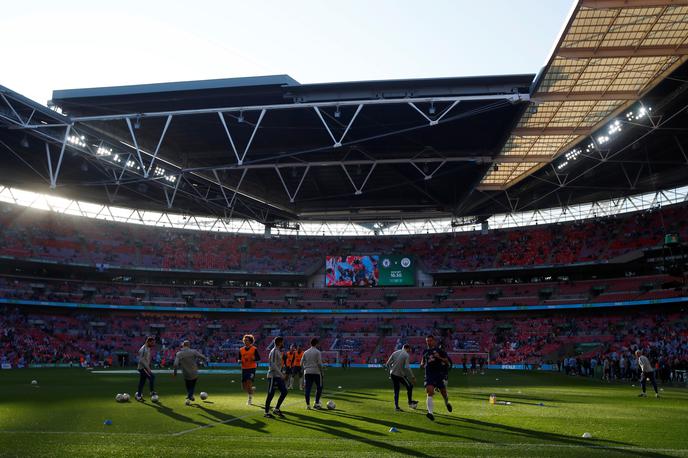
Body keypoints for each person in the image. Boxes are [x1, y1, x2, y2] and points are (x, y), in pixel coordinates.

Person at [420, 335, 452, 421]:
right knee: (429, 392)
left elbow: (447, 361)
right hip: (429, 375)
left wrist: (439, 357)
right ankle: (430, 413)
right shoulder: (425, 351)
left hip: (439, 375)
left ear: (434, 341)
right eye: (427, 341)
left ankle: (447, 403)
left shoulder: (440, 350)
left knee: (444, 394)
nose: (428, 342)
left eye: (430, 340)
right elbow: (422, 362)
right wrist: (422, 364)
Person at [385, 344, 418, 411]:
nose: (410, 351)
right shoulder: (406, 355)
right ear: (407, 348)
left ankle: (396, 407)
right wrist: (413, 376)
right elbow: (407, 367)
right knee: (410, 386)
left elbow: (387, 364)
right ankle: (410, 402)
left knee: (396, 390)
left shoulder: (395, 352)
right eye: (409, 349)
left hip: (393, 374)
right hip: (400, 375)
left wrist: (391, 370)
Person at [264, 337, 288, 418]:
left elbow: (278, 364)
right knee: (271, 394)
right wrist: (282, 375)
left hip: (277, 376)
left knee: (284, 391)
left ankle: (276, 409)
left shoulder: (277, 351)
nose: (283, 344)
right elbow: (273, 365)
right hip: (273, 376)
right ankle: (266, 412)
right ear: (279, 343)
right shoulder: (274, 351)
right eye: (282, 342)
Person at [301, 338, 324, 409]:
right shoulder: (317, 352)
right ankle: (316, 403)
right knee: (319, 387)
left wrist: (305, 368)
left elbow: (301, 363)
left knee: (307, 388)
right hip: (316, 372)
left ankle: (308, 405)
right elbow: (319, 363)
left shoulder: (305, 352)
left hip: (307, 372)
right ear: (316, 344)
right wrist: (322, 372)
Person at [238, 334, 260, 405]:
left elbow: (258, 359)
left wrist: (255, 359)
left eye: (246, 340)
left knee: (249, 382)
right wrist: (239, 361)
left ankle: (250, 399)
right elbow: (239, 358)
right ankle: (251, 390)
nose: (245, 341)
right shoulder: (241, 350)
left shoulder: (254, 349)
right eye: (244, 340)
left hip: (252, 368)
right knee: (244, 387)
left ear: (250, 341)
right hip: (244, 369)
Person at [135, 336, 157, 402]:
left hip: (144, 367)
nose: (153, 344)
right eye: (152, 343)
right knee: (152, 377)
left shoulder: (147, 348)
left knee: (142, 382)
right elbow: (141, 360)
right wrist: (148, 368)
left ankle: (139, 396)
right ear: (148, 342)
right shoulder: (143, 349)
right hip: (142, 368)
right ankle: (152, 392)